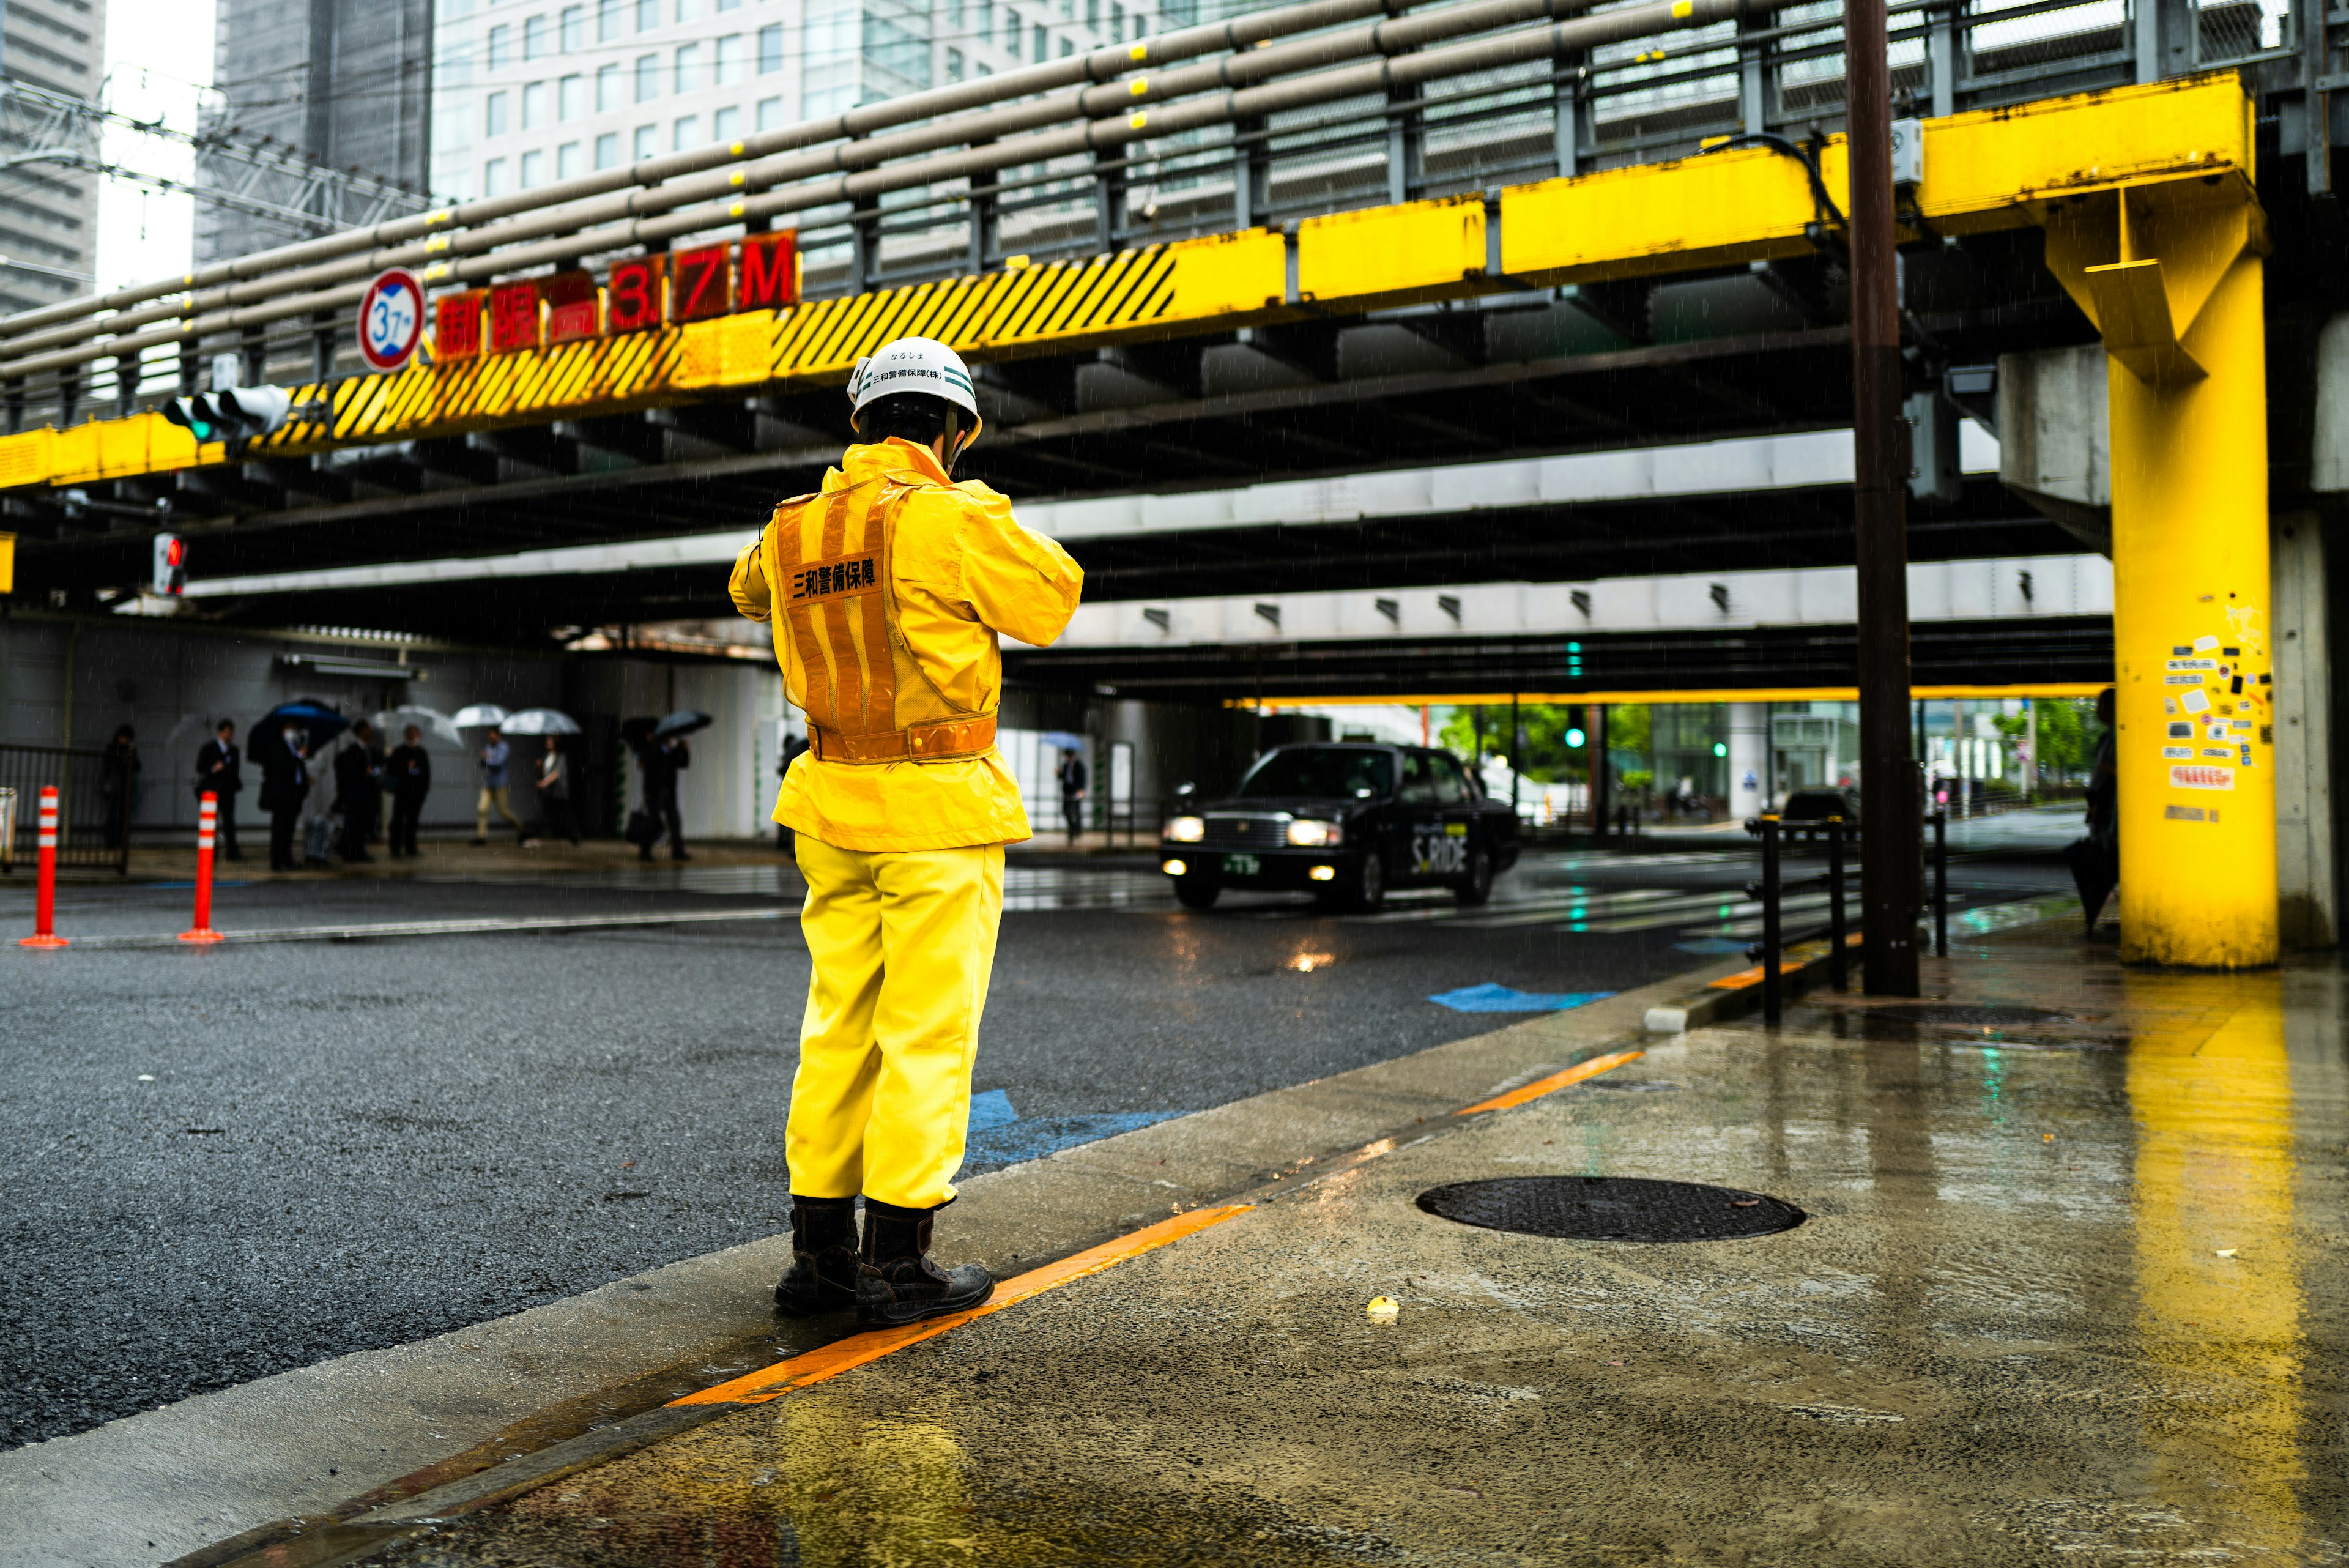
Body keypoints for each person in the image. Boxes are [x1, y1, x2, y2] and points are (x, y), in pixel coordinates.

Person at [729, 335, 1082, 1329]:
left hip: (831, 800)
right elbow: (1052, 596)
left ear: (862, 424)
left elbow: (745, 588)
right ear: (954, 428)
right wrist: (970, 509)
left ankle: (819, 1256)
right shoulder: (951, 515)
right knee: (927, 1033)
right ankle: (897, 1263)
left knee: (837, 1024)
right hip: (934, 805)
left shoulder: (792, 528)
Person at [257, 721, 310, 872]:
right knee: (280, 828)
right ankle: (277, 861)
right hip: (281, 795)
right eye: (291, 729)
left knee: (289, 829)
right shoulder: (277, 746)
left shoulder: (295, 747)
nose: (294, 732)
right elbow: (282, 767)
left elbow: (297, 769)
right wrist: (298, 757)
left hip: (294, 794)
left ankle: (287, 859)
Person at [333, 722, 384, 864]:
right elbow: (348, 772)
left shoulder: (371, 750)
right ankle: (349, 850)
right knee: (353, 823)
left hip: (367, 793)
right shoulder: (352, 751)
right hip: (355, 793)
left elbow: (379, 763)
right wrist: (363, 772)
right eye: (367, 730)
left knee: (363, 822)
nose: (370, 733)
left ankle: (359, 850)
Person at [194, 719, 244, 861]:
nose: (230, 735)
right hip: (212, 790)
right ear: (221, 732)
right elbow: (200, 767)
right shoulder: (209, 748)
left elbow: (235, 770)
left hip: (228, 790)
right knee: (211, 822)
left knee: (229, 822)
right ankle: (211, 852)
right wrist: (213, 768)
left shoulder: (233, 750)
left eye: (231, 732)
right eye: (228, 732)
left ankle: (232, 851)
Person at [637, 734, 690, 861]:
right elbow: (647, 771)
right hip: (655, 793)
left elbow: (684, 764)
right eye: (670, 739)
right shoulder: (653, 750)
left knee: (675, 822)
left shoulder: (673, 752)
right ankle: (645, 852)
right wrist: (648, 792)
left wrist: (684, 749)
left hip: (669, 793)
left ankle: (678, 852)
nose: (673, 741)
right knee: (652, 823)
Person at [385, 724, 432, 857]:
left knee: (412, 821)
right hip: (402, 792)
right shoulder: (399, 751)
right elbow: (392, 770)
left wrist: (423, 790)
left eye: (414, 733)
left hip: (416, 793)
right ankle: (395, 848)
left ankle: (410, 847)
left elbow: (426, 774)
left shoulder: (421, 753)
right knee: (398, 820)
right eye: (410, 733)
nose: (412, 736)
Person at [474, 726, 524, 844]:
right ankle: (481, 837)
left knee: (503, 811)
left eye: (493, 736)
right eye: (489, 736)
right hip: (488, 784)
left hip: (500, 784)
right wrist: (483, 759)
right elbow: (483, 764)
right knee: (482, 809)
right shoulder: (488, 747)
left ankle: (521, 828)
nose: (491, 738)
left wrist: (487, 759)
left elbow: (498, 763)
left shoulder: (504, 747)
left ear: (498, 735)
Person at [533, 736, 580, 847]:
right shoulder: (546, 757)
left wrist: (545, 782)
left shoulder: (561, 757)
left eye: (550, 741)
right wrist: (539, 767)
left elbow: (556, 773)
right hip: (549, 792)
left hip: (559, 792)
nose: (548, 743)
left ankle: (575, 837)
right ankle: (538, 834)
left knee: (566, 814)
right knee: (546, 814)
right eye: (547, 741)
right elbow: (543, 773)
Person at [99, 724, 140, 849]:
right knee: (114, 816)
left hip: (124, 788)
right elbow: (110, 768)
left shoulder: (129, 750)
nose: (124, 740)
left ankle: (118, 842)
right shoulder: (113, 749)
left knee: (122, 817)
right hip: (115, 788)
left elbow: (137, 767)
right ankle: (112, 842)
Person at [1056, 746, 1087, 844]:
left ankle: (1076, 830)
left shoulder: (1079, 765)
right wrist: (1059, 773)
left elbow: (1082, 777)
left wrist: (1082, 789)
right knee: (1066, 810)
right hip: (1068, 791)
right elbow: (1064, 778)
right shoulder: (1066, 765)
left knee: (1077, 811)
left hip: (1076, 791)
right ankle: (1073, 828)